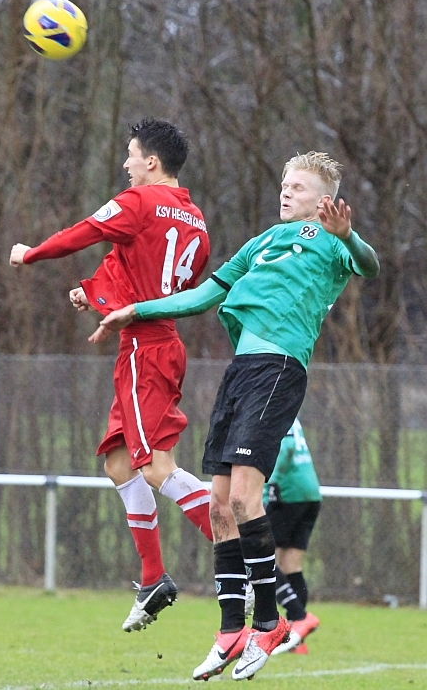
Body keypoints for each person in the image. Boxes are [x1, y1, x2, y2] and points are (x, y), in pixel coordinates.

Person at [89, 151, 379, 681]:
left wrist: (349, 236)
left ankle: (269, 623)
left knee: (245, 499)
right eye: (284, 183)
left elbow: (371, 264)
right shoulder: (260, 243)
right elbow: (202, 296)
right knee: (220, 505)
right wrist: (137, 310)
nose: (286, 191)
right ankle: (230, 631)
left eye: (299, 186)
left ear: (324, 200)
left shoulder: (332, 241)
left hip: (279, 368)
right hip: (240, 372)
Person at [9, 118, 214, 632]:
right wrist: (98, 294)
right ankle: (153, 579)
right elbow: (149, 276)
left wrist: (31, 254)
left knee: (158, 468)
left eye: (131, 155)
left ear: (151, 161)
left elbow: (86, 231)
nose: (125, 164)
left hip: (147, 350)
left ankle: (249, 555)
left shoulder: (139, 201)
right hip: (150, 345)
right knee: (120, 465)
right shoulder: (195, 219)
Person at [264, 417, 322, 656]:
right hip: (309, 492)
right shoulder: (290, 411)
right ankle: (296, 640)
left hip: (287, 494)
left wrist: (272, 482)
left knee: (259, 556)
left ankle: (299, 617)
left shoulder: (271, 406)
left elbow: (286, 447)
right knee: (291, 565)